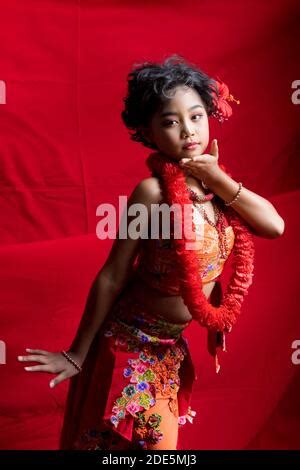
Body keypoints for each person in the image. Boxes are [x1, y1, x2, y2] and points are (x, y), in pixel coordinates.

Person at [17, 54, 285, 450]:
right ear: (148, 132)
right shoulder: (153, 194)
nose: (188, 131)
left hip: (168, 348)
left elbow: (274, 226)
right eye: (170, 122)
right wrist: (77, 354)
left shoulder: (218, 189)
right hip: (130, 345)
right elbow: (113, 274)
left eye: (196, 116)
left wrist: (217, 178)